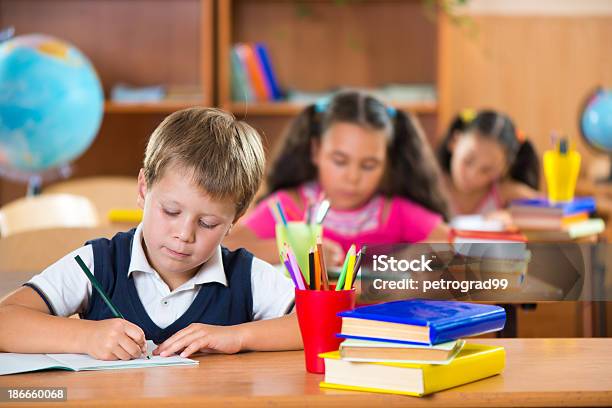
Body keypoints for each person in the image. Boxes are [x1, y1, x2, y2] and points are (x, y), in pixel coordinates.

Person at [0, 107, 301, 360]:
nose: (184, 234)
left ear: (235, 219)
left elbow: (321, 325)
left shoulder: (246, 275)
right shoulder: (98, 262)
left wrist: (238, 337)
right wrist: (85, 337)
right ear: (144, 189)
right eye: (170, 211)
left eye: (208, 223)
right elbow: (5, 321)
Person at [226, 90, 450, 267]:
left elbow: (450, 243)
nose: (353, 177)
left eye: (369, 165)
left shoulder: (393, 211)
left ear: (387, 162)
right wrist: (297, 252)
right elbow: (227, 245)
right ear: (315, 151)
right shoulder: (289, 205)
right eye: (339, 161)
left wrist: (393, 262)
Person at [437, 109, 540, 217]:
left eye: (487, 170)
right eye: (468, 161)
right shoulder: (431, 187)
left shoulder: (504, 193)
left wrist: (512, 217)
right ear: (454, 142)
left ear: (503, 169)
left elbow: (551, 210)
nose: (472, 175)